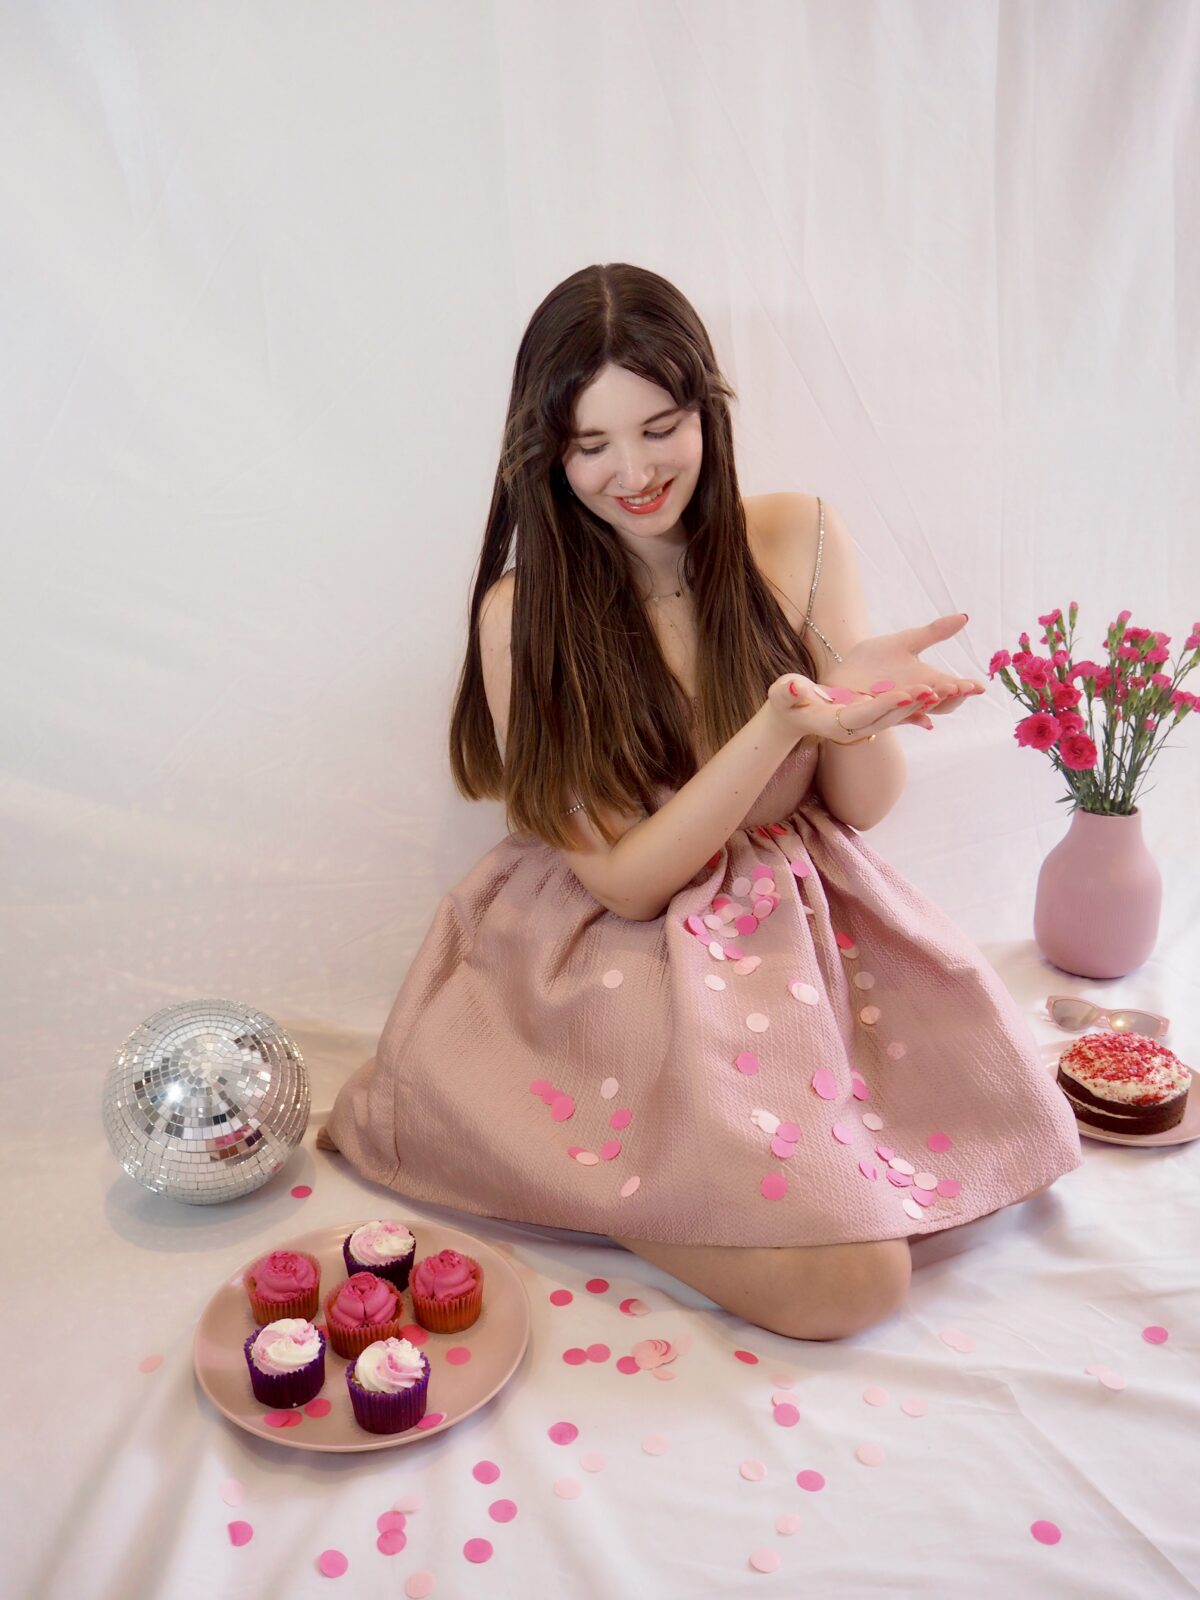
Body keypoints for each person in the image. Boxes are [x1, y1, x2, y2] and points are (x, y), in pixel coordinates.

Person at [318, 263, 1082, 1341]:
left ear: (707, 413)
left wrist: (853, 694)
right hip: (612, 960)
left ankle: (648, 1176)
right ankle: (579, 1172)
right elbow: (626, 882)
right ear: (548, 455)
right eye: (591, 446)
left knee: (976, 1161)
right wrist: (776, 723)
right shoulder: (523, 613)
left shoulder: (799, 536)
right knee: (855, 1285)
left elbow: (858, 809)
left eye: (661, 426)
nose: (633, 472)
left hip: (801, 941)